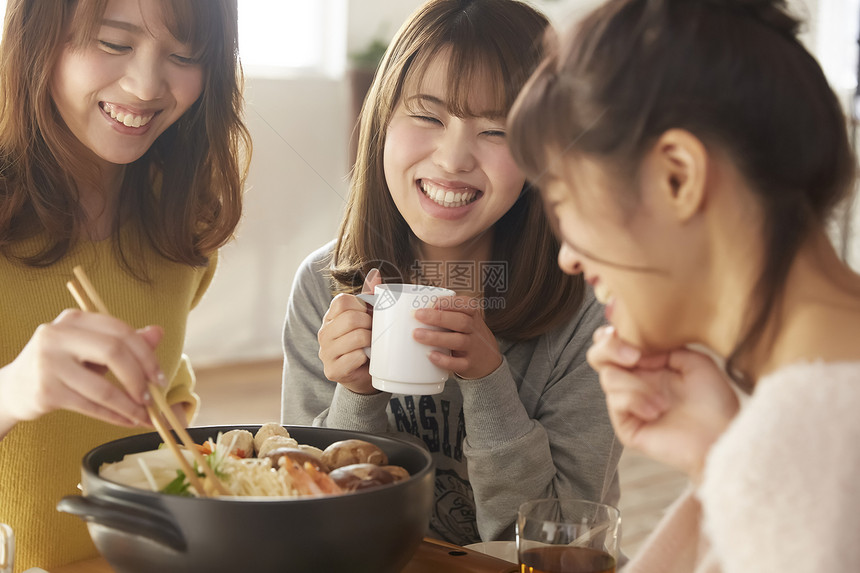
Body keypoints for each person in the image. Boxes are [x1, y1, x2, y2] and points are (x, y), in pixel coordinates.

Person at [508, 0, 860, 571]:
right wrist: (713, 463)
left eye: (565, 203)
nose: (568, 256)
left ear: (678, 176)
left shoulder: (800, 442)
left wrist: (742, 462)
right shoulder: (793, 430)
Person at [281, 0, 621, 547]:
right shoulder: (325, 285)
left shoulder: (588, 309)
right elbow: (309, 520)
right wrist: (357, 395)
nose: (453, 159)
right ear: (382, 121)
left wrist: (488, 384)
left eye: (498, 131)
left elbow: (561, 546)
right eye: (428, 115)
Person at [0, 0, 250, 569]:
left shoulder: (179, 219)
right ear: (38, 35)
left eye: (185, 55)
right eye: (114, 43)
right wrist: (12, 391)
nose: (145, 87)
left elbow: (164, 391)